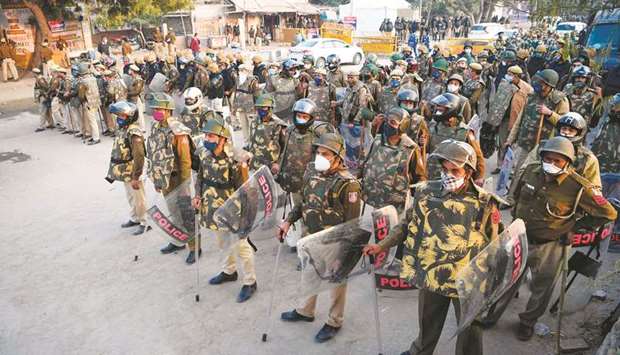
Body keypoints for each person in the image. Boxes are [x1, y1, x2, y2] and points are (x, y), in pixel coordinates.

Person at [364, 139, 504, 355]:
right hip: (432, 273)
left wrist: (492, 283)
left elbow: (494, 245)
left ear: (468, 172)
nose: (448, 175)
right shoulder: (426, 193)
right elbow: (405, 225)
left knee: (470, 328)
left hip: (467, 280)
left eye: (455, 170)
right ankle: (420, 351)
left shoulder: (485, 203)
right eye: (444, 168)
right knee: (427, 320)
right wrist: (381, 246)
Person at [489, 137, 617, 339]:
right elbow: (517, 191)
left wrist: (576, 228)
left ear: (567, 162)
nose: (552, 164)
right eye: (548, 158)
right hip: (520, 236)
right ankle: (491, 315)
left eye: (557, 161)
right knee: (506, 279)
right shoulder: (531, 171)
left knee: (542, 287)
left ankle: (527, 322)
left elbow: (608, 213)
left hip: (551, 245)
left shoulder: (578, 186)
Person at [279, 133, 362, 343]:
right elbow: (303, 203)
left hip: (334, 244)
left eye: (325, 154)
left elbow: (353, 226)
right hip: (311, 238)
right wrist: (288, 221)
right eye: (318, 153)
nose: (320, 157)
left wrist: (342, 257)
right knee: (310, 275)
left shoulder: (348, 184)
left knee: (336, 283)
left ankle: (334, 321)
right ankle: (306, 311)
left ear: (338, 157)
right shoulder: (311, 173)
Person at [193, 117, 257, 302]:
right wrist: (197, 196)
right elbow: (200, 179)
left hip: (234, 210)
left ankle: (250, 282)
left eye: (211, 136)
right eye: (206, 135)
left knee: (241, 246)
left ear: (223, 138)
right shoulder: (204, 154)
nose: (207, 139)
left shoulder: (236, 159)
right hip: (213, 208)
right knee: (222, 243)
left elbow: (245, 190)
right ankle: (229, 271)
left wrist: (246, 217)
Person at [146, 93, 195, 263]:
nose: (156, 111)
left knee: (186, 215)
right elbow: (153, 154)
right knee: (174, 213)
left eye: (159, 108)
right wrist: (156, 179)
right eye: (154, 108)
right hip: (165, 180)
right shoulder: (156, 127)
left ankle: (194, 247)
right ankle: (177, 240)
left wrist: (185, 186)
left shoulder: (178, 131)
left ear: (168, 110)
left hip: (178, 180)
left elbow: (185, 161)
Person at [361, 107, 426, 214]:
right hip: (370, 200)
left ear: (403, 126)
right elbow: (366, 164)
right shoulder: (377, 140)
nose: (387, 124)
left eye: (392, 122)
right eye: (386, 121)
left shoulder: (410, 149)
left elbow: (420, 178)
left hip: (394, 207)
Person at [507, 69, 569, 173]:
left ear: (549, 86)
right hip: (525, 143)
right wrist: (510, 138)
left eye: (542, 83)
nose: (539, 85)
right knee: (519, 172)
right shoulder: (532, 95)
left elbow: (564, 123)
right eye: (539, 81)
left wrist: (550, 113)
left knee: (533, 175)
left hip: (542, 148)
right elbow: (520, 119)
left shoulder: (560, 101)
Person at [106, 101, 149, 235]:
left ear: (130, 116)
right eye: (118, 115)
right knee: (131, 196)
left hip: (134, 170)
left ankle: (144, 221)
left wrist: (136, 176)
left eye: (122, 115)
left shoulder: (134, 132)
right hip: (125, 171)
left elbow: (139, 155)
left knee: (139, 197)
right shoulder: (122, 129)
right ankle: (135, 217)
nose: (119, 118)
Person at [427, 93, 485, 181]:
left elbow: (478, 157)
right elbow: (426, 149)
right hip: (433, 177)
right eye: (437, 107)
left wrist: (478, 178)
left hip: (454, 179)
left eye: (441, 107)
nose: (437, 109)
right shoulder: (433, 127)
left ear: (451, 109)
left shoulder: (464, 132)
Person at [489, 66, 532, 174]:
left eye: (510, 74)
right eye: (507, 73)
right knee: (502, 143)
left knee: (514, 145)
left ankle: (510, 169)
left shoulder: (527, 89)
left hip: (517, 120)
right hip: (504, 119)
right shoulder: (504, 84)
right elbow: (497, 100)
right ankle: (500, 165)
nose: (507, 76)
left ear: (517, 76)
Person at [246, 94, 287, 172]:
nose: (261, 110)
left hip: (269, 165)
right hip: (254, 163)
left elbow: (284, 147)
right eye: (259, 107)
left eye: (264, 107)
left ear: (270, 108)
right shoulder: (254, 122)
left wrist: (278, 163)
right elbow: (251, 141)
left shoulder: (278, 125)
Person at [590, 94, 619, 173]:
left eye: (615, 106)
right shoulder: (609, 117)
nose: (613, 108)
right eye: (613, 106)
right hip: (600, 154)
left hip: (613, 163)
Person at [76, 63, 102, 145]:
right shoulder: (93, 78)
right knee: (92, 120)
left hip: (88, 103)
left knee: (92, 121)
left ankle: (96, 138)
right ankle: (94, 136)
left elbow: (81, 95)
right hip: (96, 101)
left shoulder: (83, 82)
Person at [126, 64, 146, 132]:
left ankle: (142, 128)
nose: (129, 71)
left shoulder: (138, 80)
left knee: (139, 113)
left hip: (136, 98)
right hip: (132, 99)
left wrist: (127, 94)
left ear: (133, 71)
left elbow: (137, 91)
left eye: (130, 70)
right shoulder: (133, 79)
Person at [33, 68, 53, 132]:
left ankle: (42, 126)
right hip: (42, 96)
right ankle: (50, 123)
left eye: (33, 73)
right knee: (46, 111)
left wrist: (44, 94)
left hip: (43, 97)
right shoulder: (39, 78)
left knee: (42, 111)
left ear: (35, 73)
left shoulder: (40, 79)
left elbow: (46, 87)